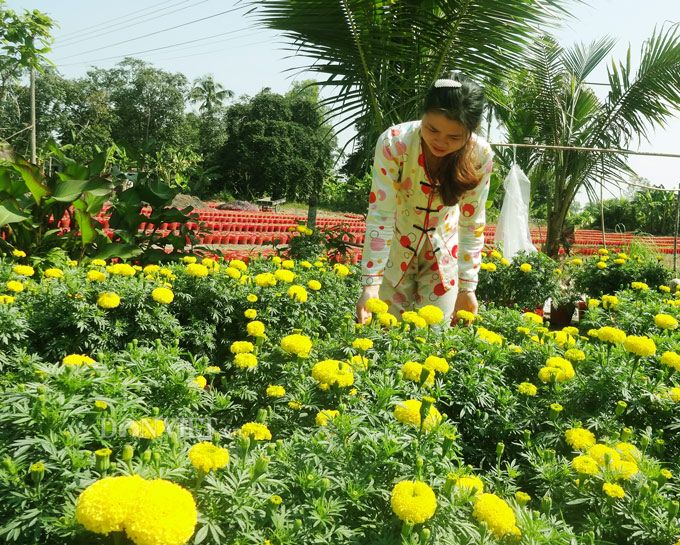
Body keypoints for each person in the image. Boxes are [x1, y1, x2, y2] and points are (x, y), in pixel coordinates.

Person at [355, 71, 494, 325]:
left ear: (470, 132)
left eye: (454, 137)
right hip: (394, 254)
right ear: (423, 114)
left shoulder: (480, 156)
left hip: (443, 258)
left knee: (434, 338)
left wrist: (467, 287)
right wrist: (371, 284)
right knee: (384, 336)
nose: (440, 141)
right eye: (432, 129)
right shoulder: (394, 144)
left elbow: (472, 223)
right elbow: (381, 214)